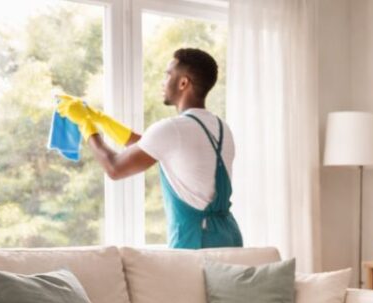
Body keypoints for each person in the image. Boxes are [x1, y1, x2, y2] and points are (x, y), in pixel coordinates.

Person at [57, 47, 243, 249]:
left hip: (197, 240)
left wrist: (86, 125)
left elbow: (115, 168)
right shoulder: (221, 127)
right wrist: (101, 119)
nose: (163, 82)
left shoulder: (173, 128)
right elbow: (147, 145)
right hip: (230, 237)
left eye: (168, 74)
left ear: (183, 83)